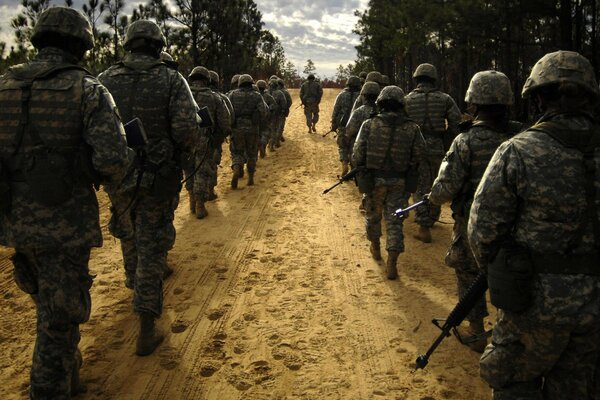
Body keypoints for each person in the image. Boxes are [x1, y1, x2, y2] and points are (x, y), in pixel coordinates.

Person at [0, 6, 133, 398]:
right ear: (80, 45)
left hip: (12, 220)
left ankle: (65, 362)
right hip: (64, 221)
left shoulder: (3, 86)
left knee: (46, 299)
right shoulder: (88, 89)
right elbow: (112, 159)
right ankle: (49, 385)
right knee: (58, 320)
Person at [468, 50, 600, 399]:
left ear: (538, 98)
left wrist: (505, 280)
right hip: (595, 310)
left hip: (533, 302)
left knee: (513, 381)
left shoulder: (518, 151)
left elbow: (482, 233)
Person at [98, 19, 200, 356]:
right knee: (152, 245)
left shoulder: (105, 79)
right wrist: (176, 151)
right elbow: (186, 129)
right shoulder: (171, 78)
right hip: (157, 177)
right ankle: (146, 323)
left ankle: (134, 286)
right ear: (158, 46)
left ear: (129, 44)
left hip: (119, 179)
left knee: (129, 235)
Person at [428, 70, 520, 353]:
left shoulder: (465, 140)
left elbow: (445, 188)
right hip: (519, 224)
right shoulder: (523, 135)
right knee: (516, 276)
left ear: (473, 103)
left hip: (473, 223)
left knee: (469, 273)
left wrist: (432, 198)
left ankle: (477, 331)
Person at [352, 86, 425, 279]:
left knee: (373, 216)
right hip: (399, 181)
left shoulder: (369, 124)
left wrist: (361, 169)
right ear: (402, 104)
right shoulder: (412, 128)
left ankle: (375, 247)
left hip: (374, 180)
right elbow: (419, 153)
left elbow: (357, 153)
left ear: (381, 102)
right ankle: (392, 262)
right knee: (395, 222)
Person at [405, 63, 461, 243]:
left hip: (416, 148)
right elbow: (456, 123)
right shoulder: (445, 99)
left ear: (417, 78)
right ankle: (430, 218)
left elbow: (402, 126)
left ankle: (424, 226)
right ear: (433, 79)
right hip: (438, 147)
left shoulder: (407, 100)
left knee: (420, 185)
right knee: (436, 184)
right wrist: (447, 141)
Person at [188, 66, 231, 219]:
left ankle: (191, 199)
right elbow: (225, 122)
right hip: (204, 140)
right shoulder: (214, 97)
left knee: (188, 170)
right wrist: (216, 139)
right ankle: (200, 204)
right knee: (201, 171)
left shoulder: (182, 94)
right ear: (207, 80)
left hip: (183, 140)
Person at [228, 74, 268, 188]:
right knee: (252, 153)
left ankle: (237, 169)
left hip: (237, 128)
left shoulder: (232, 95)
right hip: (252, 128)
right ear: (251, 83)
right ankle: (250, 177)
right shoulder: (257, 95)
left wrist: (231, 125)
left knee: (237, 152)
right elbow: (264, 111)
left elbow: (228, 112)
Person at [208, 70, 234, 200]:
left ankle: (193, 197)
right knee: (212, 164)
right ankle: (209, 191)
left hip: (189, 138)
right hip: (212, 138)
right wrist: (225, 132)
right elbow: (228, 117)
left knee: (191, 168)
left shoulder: (188, 94)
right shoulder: (220, 98)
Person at [332, 75, 361, 175]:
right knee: (354, 146)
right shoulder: (361, 96)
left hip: (343, 123)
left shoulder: (341, 95)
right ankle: (353, 168)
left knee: (343, 145)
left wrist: (333, 123)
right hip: (357, 125)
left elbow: (336, 110)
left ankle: (344, 163)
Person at [268, 77, 287, 150]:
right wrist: (283, 111)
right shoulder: (279, 93)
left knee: (270, 129)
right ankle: (272, 145)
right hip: (277, 114)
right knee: (275, 129)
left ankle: (269, 143)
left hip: (268, 114)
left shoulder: (266, 92)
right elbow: (284, 104)